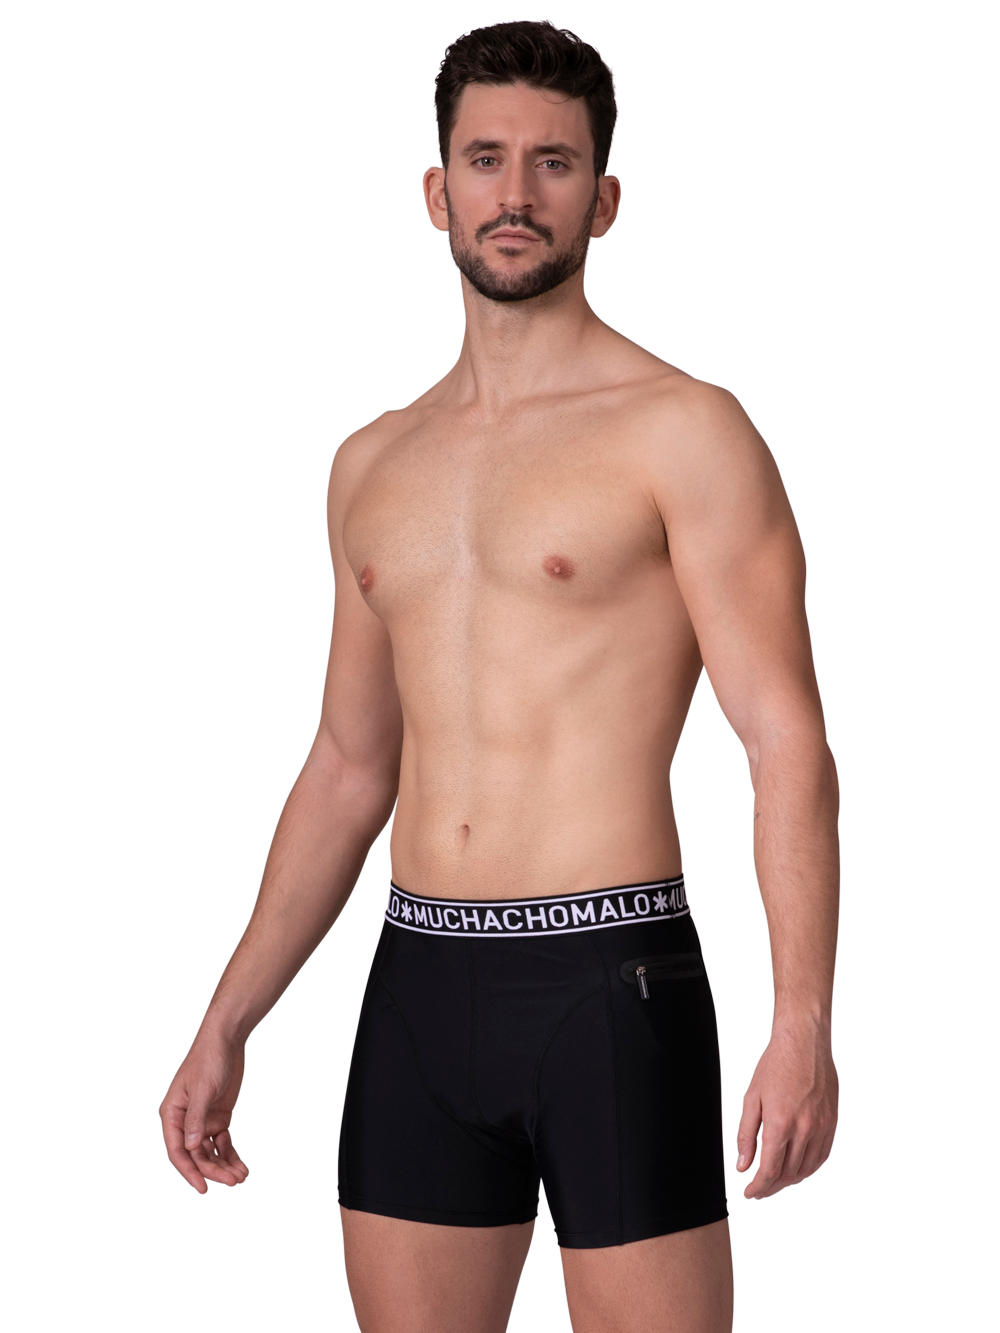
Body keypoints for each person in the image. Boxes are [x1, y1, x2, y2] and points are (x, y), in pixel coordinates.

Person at [162, 21, 839, 1333]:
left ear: (604, 198)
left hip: (611, 984)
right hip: (416, 985)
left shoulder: (683, 432)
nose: (515, 193)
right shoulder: (373, 464)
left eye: (552, 163)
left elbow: (784, 737)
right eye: (486, 159)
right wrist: (228, 1019)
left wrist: (803, 1020)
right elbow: (350, 763)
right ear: (439, 191)